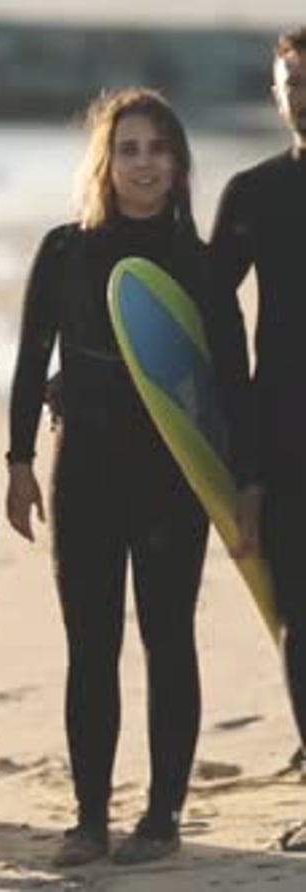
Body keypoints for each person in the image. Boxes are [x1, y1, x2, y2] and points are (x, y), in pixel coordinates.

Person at [6, 87, 249, 868]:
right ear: (106, 163)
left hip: (171, 479)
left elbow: (230, 384)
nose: (144, 163)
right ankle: (87, 819)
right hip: (83, 471)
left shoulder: (200, 263)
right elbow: (29, 359)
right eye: (129, 149)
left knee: (168, 639)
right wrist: (16, 461)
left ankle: (162, 815)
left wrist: (238, 485)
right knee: (91, 645)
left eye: (158, 149)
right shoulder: (65, 250)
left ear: (179, 166)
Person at [210, 26, 306, 849]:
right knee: (301, 620)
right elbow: (206, 319)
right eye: (293, 80)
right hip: (285, 442)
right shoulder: (253, 194)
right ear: (276, 92)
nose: (303, 93)